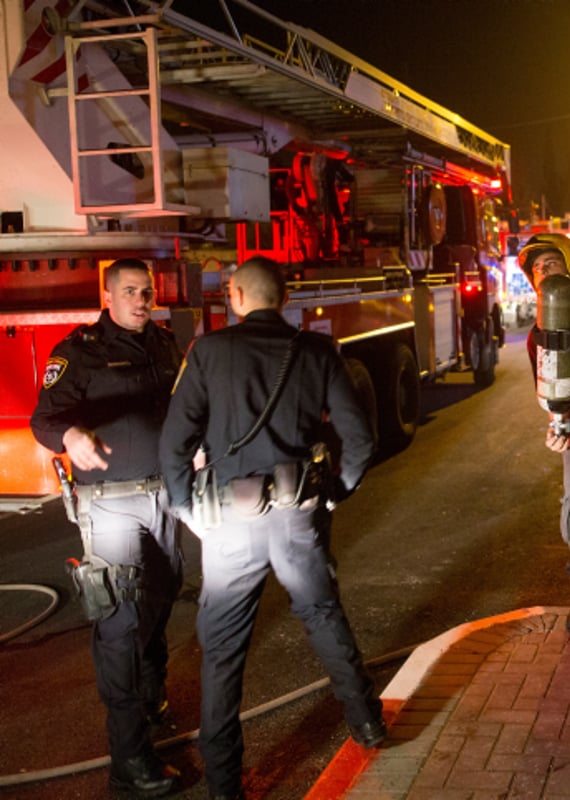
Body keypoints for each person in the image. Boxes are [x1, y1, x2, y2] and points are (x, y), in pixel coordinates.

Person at [159, 257, 382, 800]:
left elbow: (174, 444)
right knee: (323, 616)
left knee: (223, 649)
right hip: (295, 514)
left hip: (229, 525)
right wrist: (334, 493)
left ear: (235, 294)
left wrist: (189, 512)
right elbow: (359, 440)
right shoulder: (318, 351)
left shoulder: (209, 352)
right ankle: (367, 721)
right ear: (284, 298)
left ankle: (224, 781)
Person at [29, 258, 184, 798]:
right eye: (132, 292)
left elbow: (183, 406)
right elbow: (43, 419)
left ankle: (151, 699)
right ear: (109, 294)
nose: (143, 300)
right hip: (111, 506)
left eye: (148, 291)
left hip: (164, 497)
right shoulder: (82, 351)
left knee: (161, 599)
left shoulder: (164, 344)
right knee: (119, 623)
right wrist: (71, 434)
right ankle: (130, 760)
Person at [519, 233, 570, 632]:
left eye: (551, 262)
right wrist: (557, 427)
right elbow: (550, 393)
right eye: (537, 268)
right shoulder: (538, 335)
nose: (543, 271)